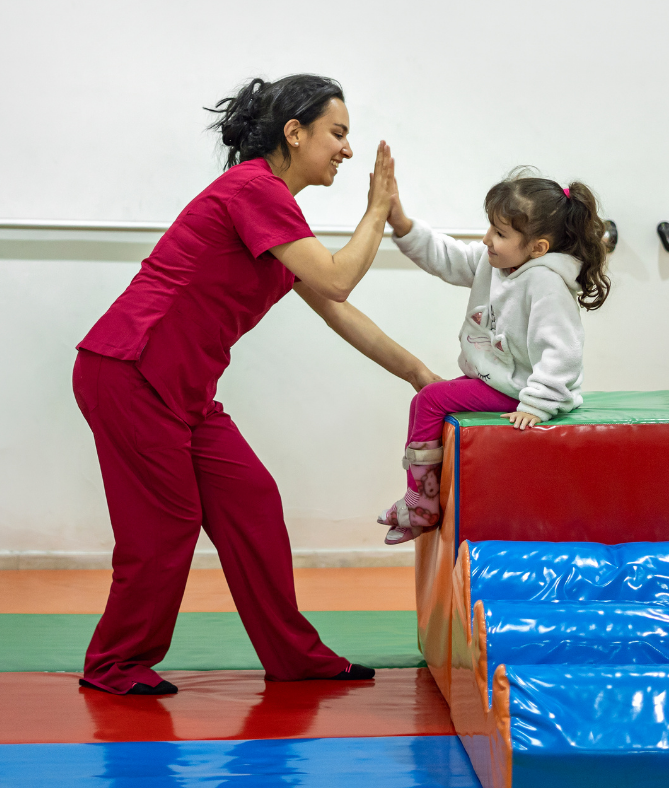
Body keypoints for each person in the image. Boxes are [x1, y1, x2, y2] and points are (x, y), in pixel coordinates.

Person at [72, 74, 439, 695]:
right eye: (337, 134)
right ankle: (115, 664)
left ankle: (294, 656)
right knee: (165, 527)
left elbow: (336, 307)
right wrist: (377, 210)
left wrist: (423, 379)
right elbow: (340, 279)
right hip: (131, 371)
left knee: (252, 501)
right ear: (294, 134)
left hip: (182, 390)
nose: (347, 151)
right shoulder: (254, 189)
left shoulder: (274, 209)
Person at [378, 169, 611, 544]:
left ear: (538, 248)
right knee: (430, 402)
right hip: (497, 381)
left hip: (520, 390)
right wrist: (403, 224)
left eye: (500, 234)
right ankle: (423, 497)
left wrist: (537, 404)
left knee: (429, 399)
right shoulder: (496, 263)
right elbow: (448, 257)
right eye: (490, 227)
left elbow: (563, 351)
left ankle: (420, 502)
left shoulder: (546, 283)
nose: (487, 239)